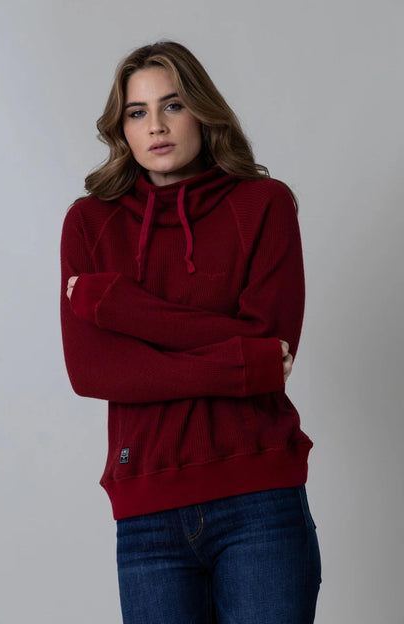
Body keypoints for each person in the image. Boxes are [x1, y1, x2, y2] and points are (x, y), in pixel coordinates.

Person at [60, 39, 322, 624]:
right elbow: (94, 371)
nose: (156, 125)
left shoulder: (264, 204)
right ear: (122, 129)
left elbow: (270, 337)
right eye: (137, 112)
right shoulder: (89, 224)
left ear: (202, 111)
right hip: (146, 512)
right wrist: (242, 363)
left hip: (260, 500)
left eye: (172, 105)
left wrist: (119, 307)